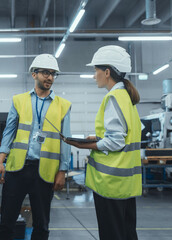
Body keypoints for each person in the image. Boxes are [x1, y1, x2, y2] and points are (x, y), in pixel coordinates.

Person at [63, 45, 142, 240]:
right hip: (126, 184)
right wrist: (98, 139)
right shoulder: (127, 97)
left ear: (107, 72)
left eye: (95, 71)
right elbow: (127, 134)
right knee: (127, 234)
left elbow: (116, 142)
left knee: (112, 235)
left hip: (111, 183)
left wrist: (85, 145)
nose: (93, 76)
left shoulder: (113, 97)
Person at [0, 54, 71, 240]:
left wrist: (63, 171)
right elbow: (9, 132)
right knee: (6, 222)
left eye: (53, 74)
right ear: (34, 74)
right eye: (45, 73)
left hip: (44, 171)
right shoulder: (18, 100)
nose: (50, 78)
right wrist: (0, 160)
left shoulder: (64, 105)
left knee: (42, 225)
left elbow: (65, 140)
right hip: (17, 169)